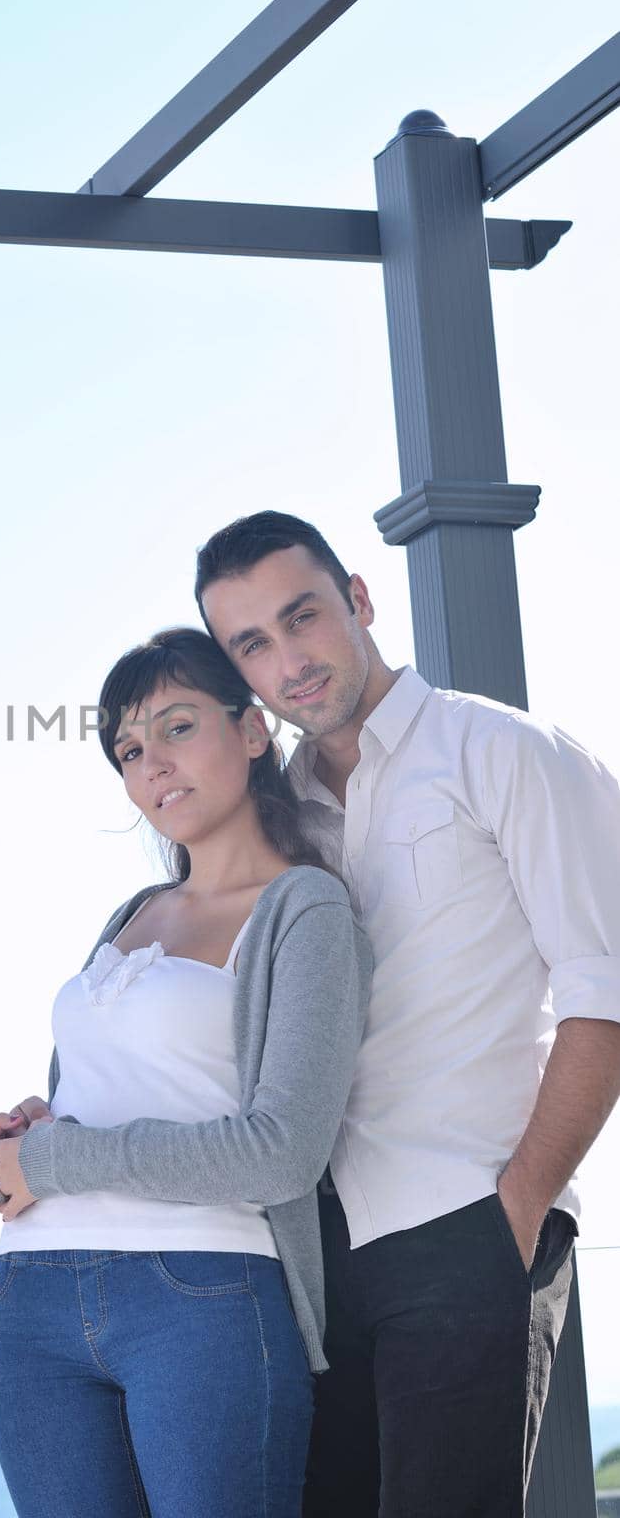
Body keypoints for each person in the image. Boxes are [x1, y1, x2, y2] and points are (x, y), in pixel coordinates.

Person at [192, 508, 620, 1518]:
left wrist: (510, 1216)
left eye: (302, 617)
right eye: (251, 644)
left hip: (464, 1220)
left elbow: (603, 1000)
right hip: (311, 1257)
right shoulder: (275, 817)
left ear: (358, 599)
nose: (289, 659)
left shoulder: (503, 751)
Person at [0, 627, 372, 1518]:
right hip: (31, 1294)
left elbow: (279, 1154)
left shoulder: (305, 908)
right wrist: (24, 1138)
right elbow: (97, 1104)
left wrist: (57, 1162)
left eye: (178, 728)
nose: (152, 764)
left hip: (202, 1294)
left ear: (253, 730)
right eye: (128, 749)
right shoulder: (131, 913)